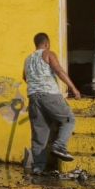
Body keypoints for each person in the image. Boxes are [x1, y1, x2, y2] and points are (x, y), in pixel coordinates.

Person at [22, 32, 81, 174]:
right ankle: (59, 146)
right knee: (69, 119)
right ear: (46, 43)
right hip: (50, 95)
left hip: (33, 98)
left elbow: (25, 77)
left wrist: (36, 84)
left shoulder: (28, 59)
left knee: (39, 134)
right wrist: (73, 88)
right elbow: (59, 71)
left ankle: (38, 167)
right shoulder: (48, 53)